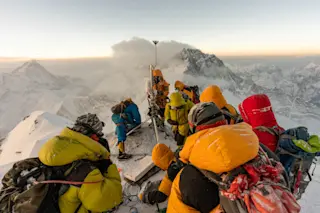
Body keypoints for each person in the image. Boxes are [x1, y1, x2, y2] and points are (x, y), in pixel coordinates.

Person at [167, 103, 299, 213]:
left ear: (194, 130)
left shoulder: (186, 179)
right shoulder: (260, 150)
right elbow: (283, 180)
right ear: (224, 121)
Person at [0, 113, 122, 213]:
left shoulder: (50, 155)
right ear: (94, 137)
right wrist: (109, 167)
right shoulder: (85, 171)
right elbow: (110, 200)